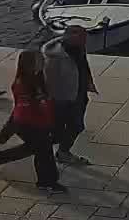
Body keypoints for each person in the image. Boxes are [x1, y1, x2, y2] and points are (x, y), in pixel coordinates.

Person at [0, 49, 63, 193]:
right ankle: (47, 182)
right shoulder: (24, 84)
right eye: (40, 60)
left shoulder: (37, 78)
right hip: (30, 124)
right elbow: (23, 109)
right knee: (44, 152)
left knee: (34, 148)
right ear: (30, 64)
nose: (43, 62)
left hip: (37, 122)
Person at [43, 25, 97, 164]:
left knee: (75, 126)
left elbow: (83, 66)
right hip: (64, 98)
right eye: (81, 37)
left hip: (78, 93)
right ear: (69, 37)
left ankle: (61, 151)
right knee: (65, 128)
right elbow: (50, 81)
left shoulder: (78, 48)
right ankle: (58, 152)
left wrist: (88, 82)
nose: (85, 40)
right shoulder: (56, 58)